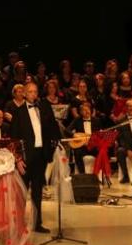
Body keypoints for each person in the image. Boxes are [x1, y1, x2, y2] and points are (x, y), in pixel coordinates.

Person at [10, 82, 61, 233]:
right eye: (30, 92)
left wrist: (56, 145)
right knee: (22, 192)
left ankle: (37, 223)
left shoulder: (43, 108)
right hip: (25, 158)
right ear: (24, 94)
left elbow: (53, 128)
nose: (33, 94)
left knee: (37, 192)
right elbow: (13, 139)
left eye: (35, 91)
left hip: (40, 156)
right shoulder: (18, 112)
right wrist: (18, 160)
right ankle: (19, 224)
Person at [65, 102, 102, 174]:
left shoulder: (96, 120)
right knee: (77, 153)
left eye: (88, 110)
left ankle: (96, 174)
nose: (87, 112)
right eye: (84, 110)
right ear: (81, 112)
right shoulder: (77, 120)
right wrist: (74, 135)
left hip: (93, 146)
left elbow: (100, 134)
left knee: (101, 151)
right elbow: (67, 130)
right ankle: (83, 174)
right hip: (82, 146)